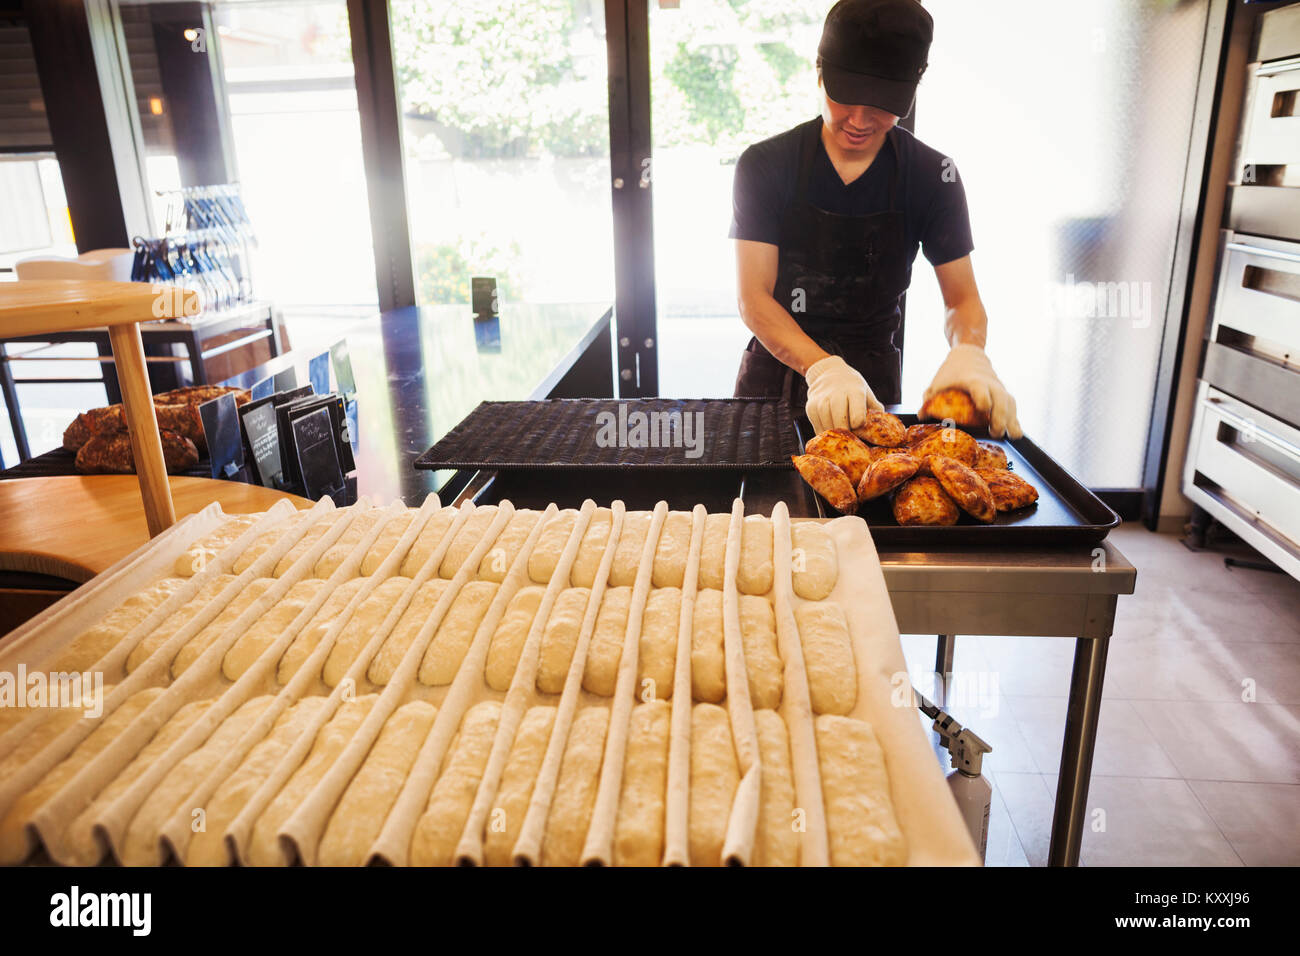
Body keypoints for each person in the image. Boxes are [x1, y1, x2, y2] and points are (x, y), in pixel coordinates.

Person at [730, 0, 1021, 439]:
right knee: (759, 507)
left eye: (883, 104)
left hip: (870, 390)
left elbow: (962, 300)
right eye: (845, 95)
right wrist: (823, 368)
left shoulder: (932, 176)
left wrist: (969, 352)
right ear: (819, 70)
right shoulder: (766, 165)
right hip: (773, 380)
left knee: (868, 504)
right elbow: (754, 298)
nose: (860, 120)